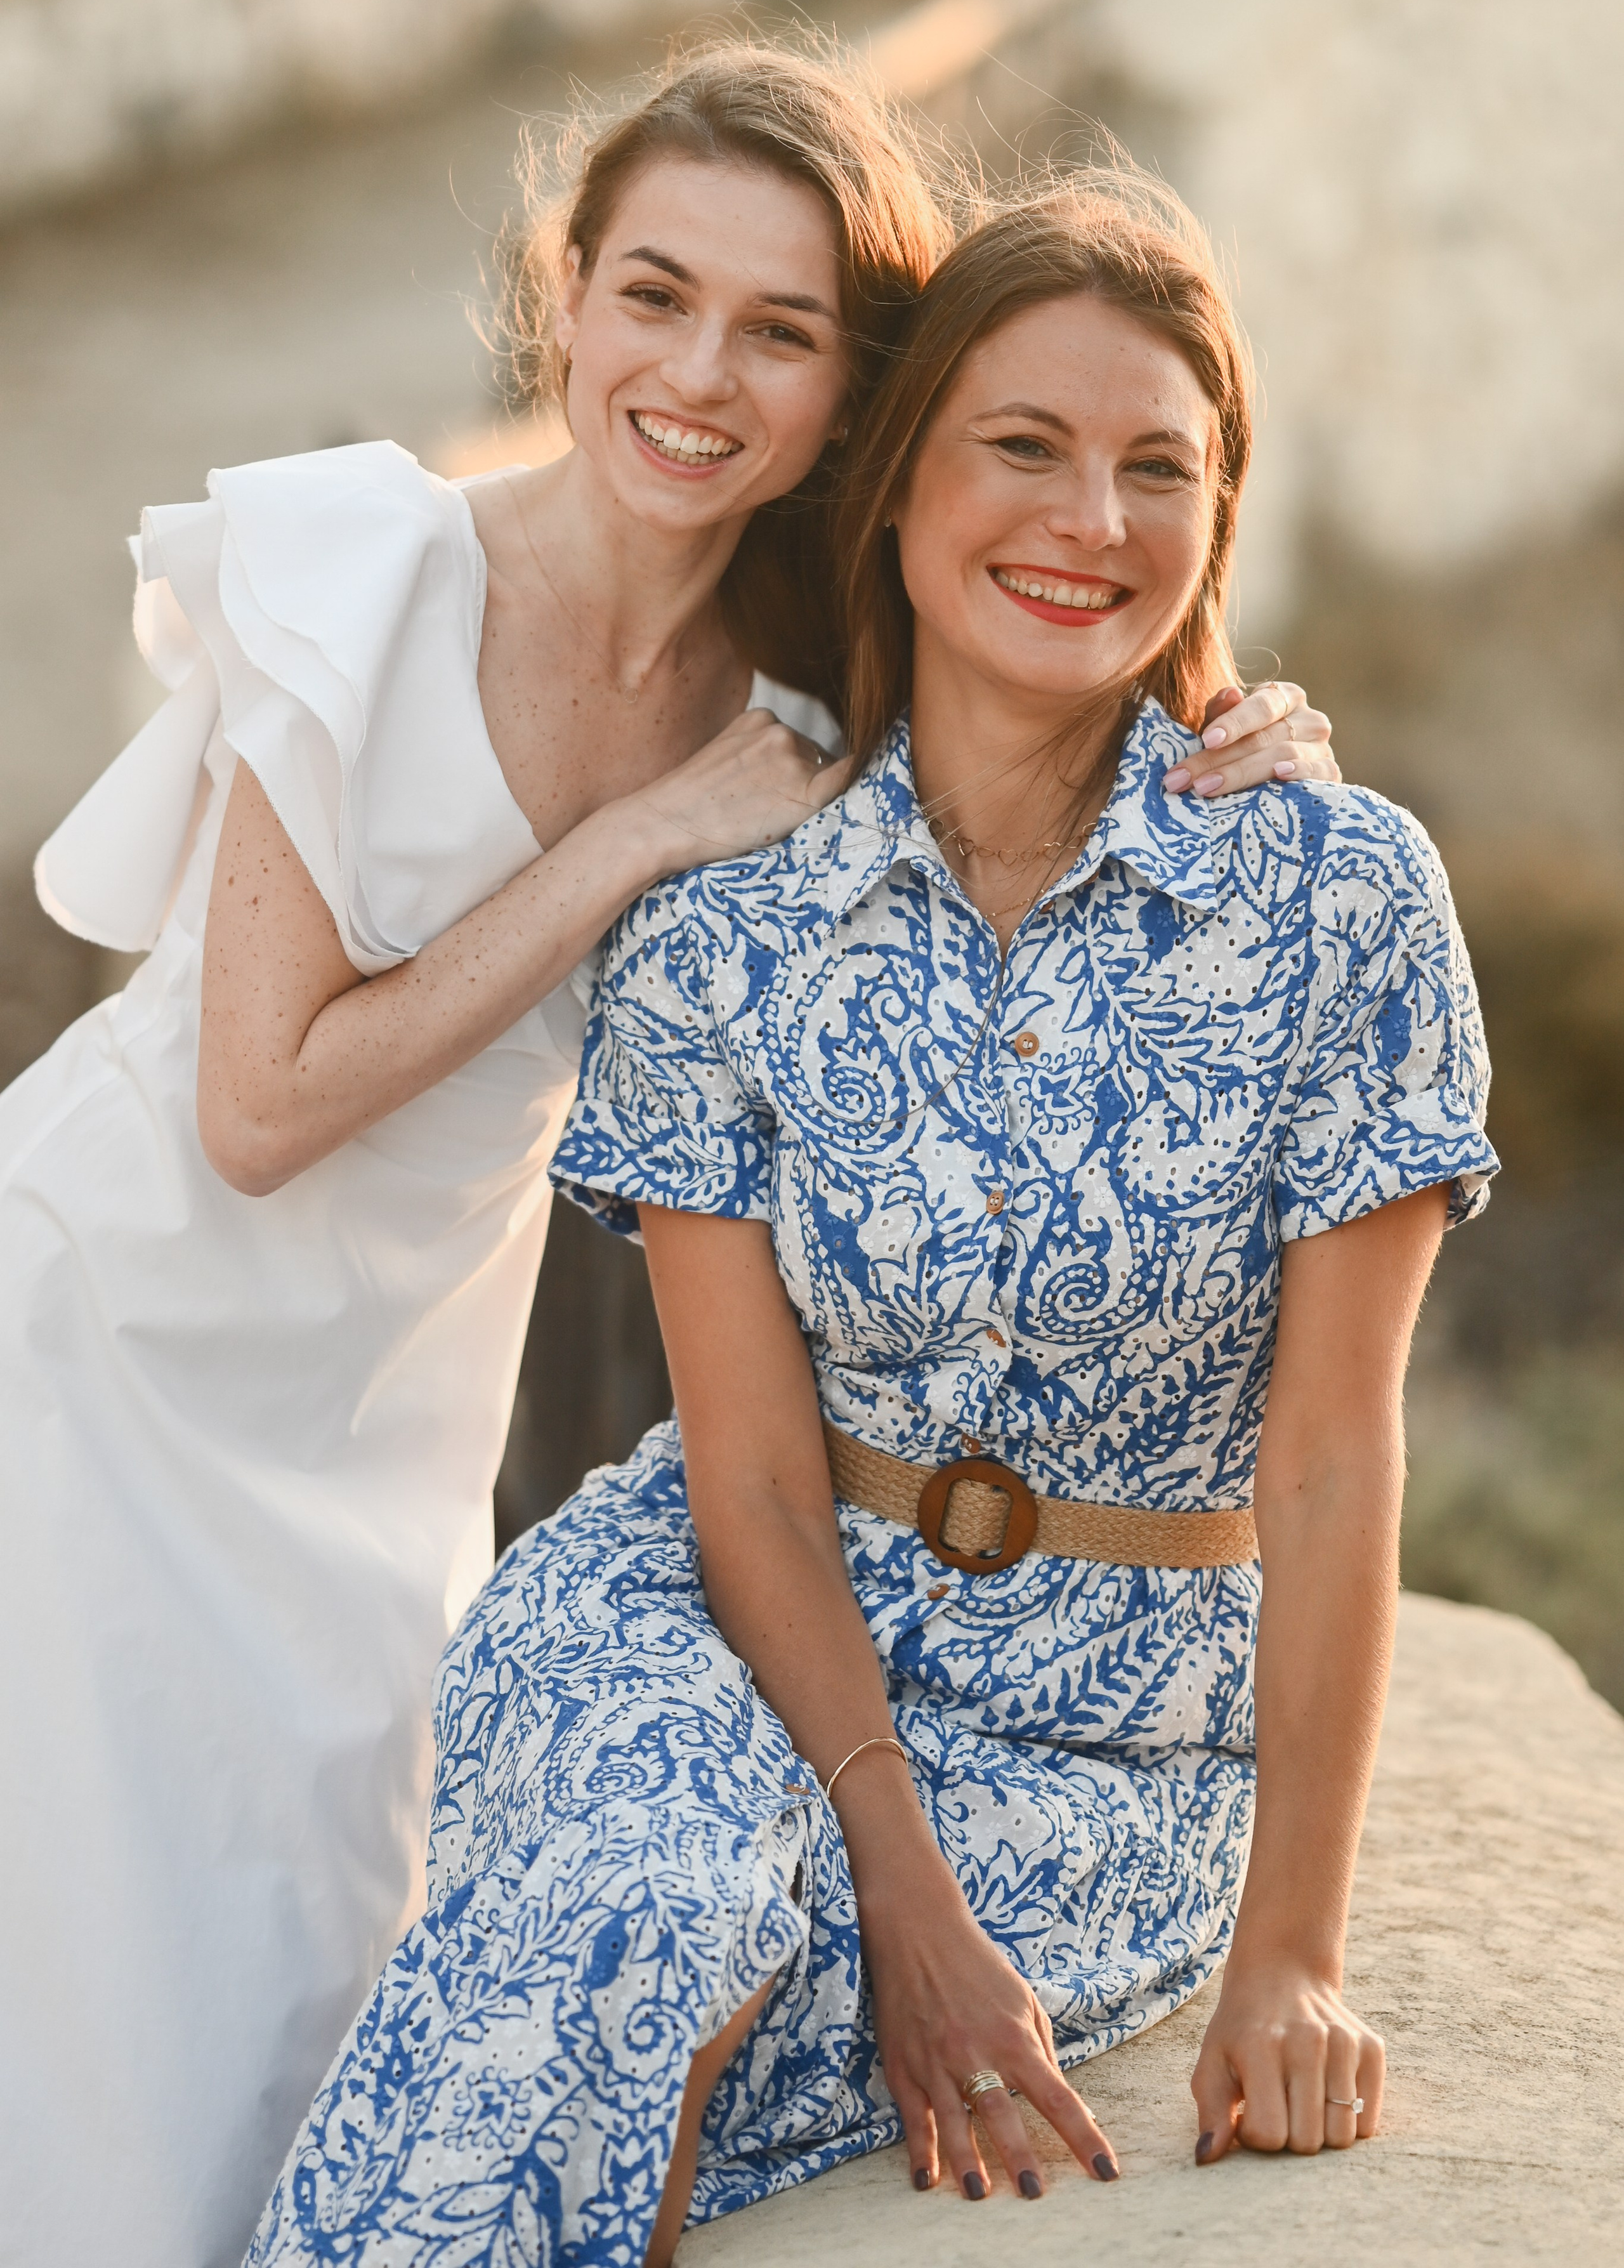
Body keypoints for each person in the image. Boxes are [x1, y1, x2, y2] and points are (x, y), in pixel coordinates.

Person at [241, 167, 1493, 2268]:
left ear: (1216, 522)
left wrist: (1294, 1950)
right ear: (901, 490)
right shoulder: (723, 931)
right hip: (714, 1618)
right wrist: (898, 1891)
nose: (1089, 520)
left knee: (605, 2018)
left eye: (1156, 469)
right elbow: (738, 1463)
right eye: (1024, 447)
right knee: (649, 1907)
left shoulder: (1340, 902)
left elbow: (1337, 1453)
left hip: (1110, 1733)